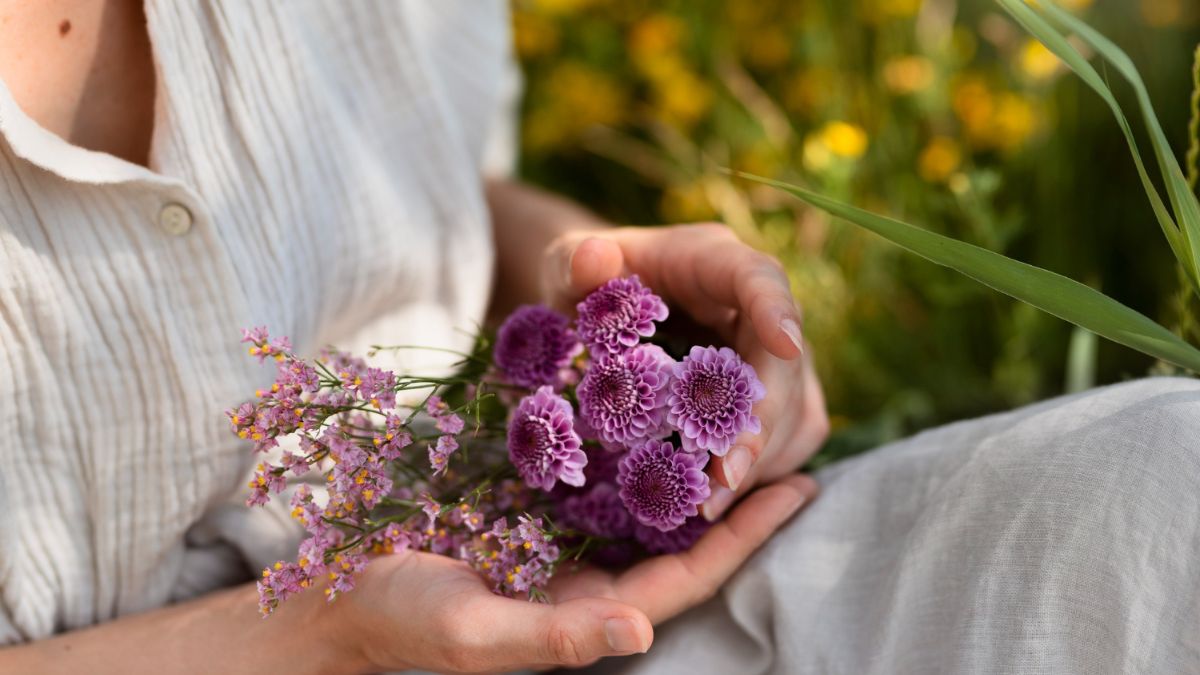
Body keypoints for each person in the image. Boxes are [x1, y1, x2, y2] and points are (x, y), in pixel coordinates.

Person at [0, 2, 1195, 674]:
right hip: (376, 628)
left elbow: (441, 195)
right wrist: (332, 636)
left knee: (1167, 487)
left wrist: (598, 291)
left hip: (558, 613)